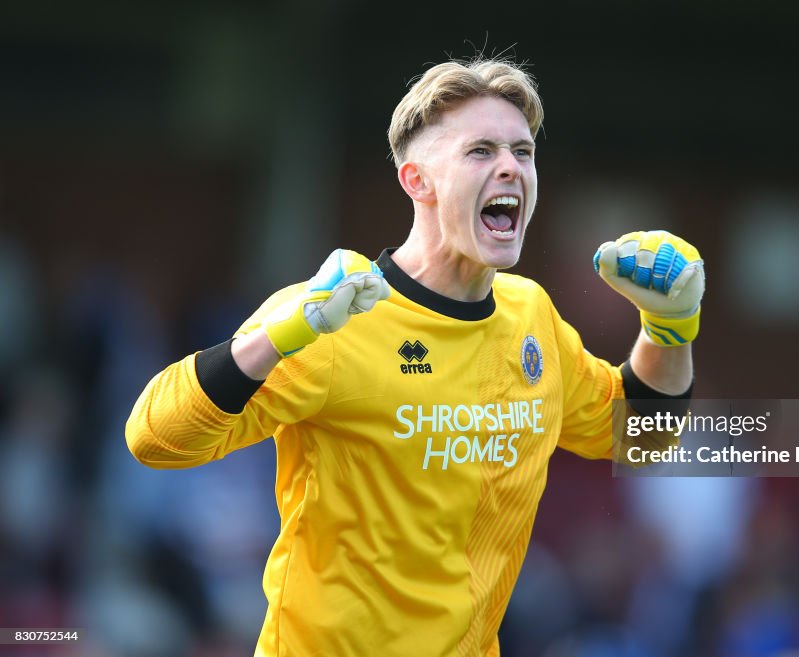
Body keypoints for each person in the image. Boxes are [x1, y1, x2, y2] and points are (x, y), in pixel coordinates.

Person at [126, 56, 705, 657]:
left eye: (523, 152)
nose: (510, 167)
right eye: (481, 151)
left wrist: (669, 327)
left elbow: (639, 438)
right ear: (416, 181)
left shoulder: (532, 315)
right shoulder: (328, 318)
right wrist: (280, 335)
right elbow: (154, 439)